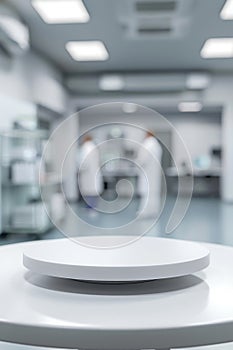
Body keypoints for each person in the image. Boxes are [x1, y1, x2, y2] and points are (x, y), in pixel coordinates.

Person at [136, 131, 163, 218]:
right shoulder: (156, 145)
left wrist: (136, 164)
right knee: (153, 193)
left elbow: (142, 159)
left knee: (146, 192)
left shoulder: (148, 143)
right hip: (154, 174)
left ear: (147, 134)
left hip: (147, 172)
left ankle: (145, 212)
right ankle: (153, 211)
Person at [78, 134, 102, 213]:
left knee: (89, 190)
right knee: (92, 190)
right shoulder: (94, 147)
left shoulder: (86, 147)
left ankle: (90, 207)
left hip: (87, 173)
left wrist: (80, 168)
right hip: (94, 172)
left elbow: (84, 162)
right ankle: (93, 206)